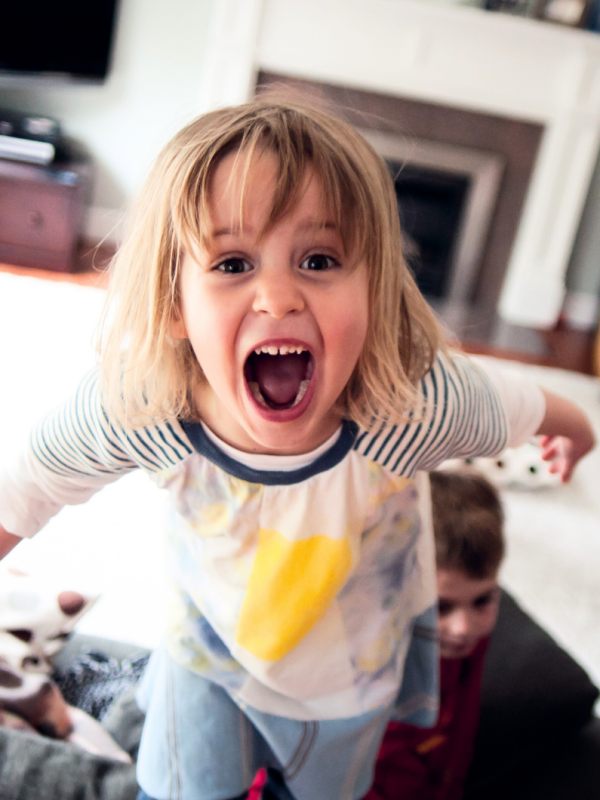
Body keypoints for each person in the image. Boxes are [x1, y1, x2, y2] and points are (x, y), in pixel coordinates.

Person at [0, 95, 594, 800]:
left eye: (318, 259)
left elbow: (523, 404)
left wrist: (576, 431)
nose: (277, 297)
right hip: (207, 655)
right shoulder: (142, 405)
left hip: (349, 680)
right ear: (172, 302)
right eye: (232, 263)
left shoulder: (413, 405)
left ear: (375, 291)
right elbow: (24, 489)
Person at [362, 468, 506, 800]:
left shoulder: (468, 640)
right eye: (441, 607)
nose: (464, 628)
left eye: (482, 600)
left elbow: (463, 727)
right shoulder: (364, 664)